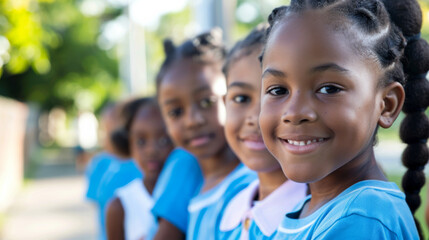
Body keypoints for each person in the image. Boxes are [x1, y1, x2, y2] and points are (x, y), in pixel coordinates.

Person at [258, 0, 427, 239]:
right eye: (278, 90)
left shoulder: (361, 219)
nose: (294, 112)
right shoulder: (316, 210)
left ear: (386, 105)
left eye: (328, 89)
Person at [156, 28, 256, 240]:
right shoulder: (184, 165)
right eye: (175, 112)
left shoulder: (254, 183)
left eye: (206, 102)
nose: (193, 120)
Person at [219, 24, 307, 240]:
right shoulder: (229, 208)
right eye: (241, 98)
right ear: (225, 103)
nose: (255, 117)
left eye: (277, 92)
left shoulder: (314, 218)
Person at [105, 97, 173, 240]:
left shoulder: (196, 192)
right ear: (128, 144)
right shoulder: (120, 207)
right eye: (141, 141)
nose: (151, 150)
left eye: (164, 140)